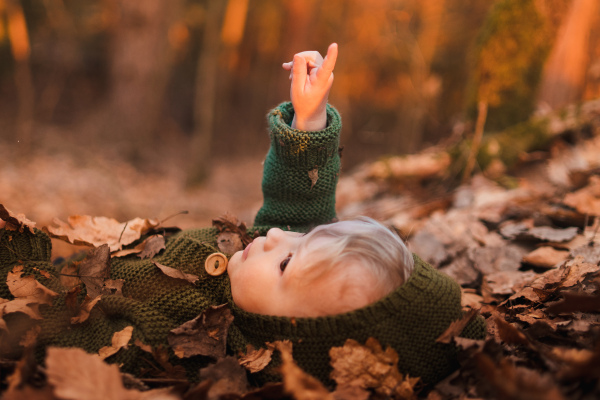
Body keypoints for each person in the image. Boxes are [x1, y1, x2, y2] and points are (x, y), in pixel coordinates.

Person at [0, 43, 485, 388]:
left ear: (289, 342)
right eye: (300, 239)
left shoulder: (186, 350)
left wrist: (20, 269)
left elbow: (66, 338)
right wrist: (308, 119)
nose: (277, 236)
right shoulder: (268, 275)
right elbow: (301, 202)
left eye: (286, 264)